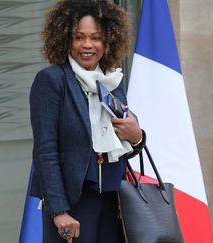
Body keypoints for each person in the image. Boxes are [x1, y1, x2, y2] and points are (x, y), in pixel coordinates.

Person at [29, 1, 145, 242]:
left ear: (108, 41)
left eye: (96, 37)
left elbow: (125, 144)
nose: (87, 45)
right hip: (73, 205)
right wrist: (59, 210)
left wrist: (137, 136)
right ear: (65, 39)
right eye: (79, 37)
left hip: (115, 205)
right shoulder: (52, 80)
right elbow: (45, 151)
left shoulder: (112, 82)